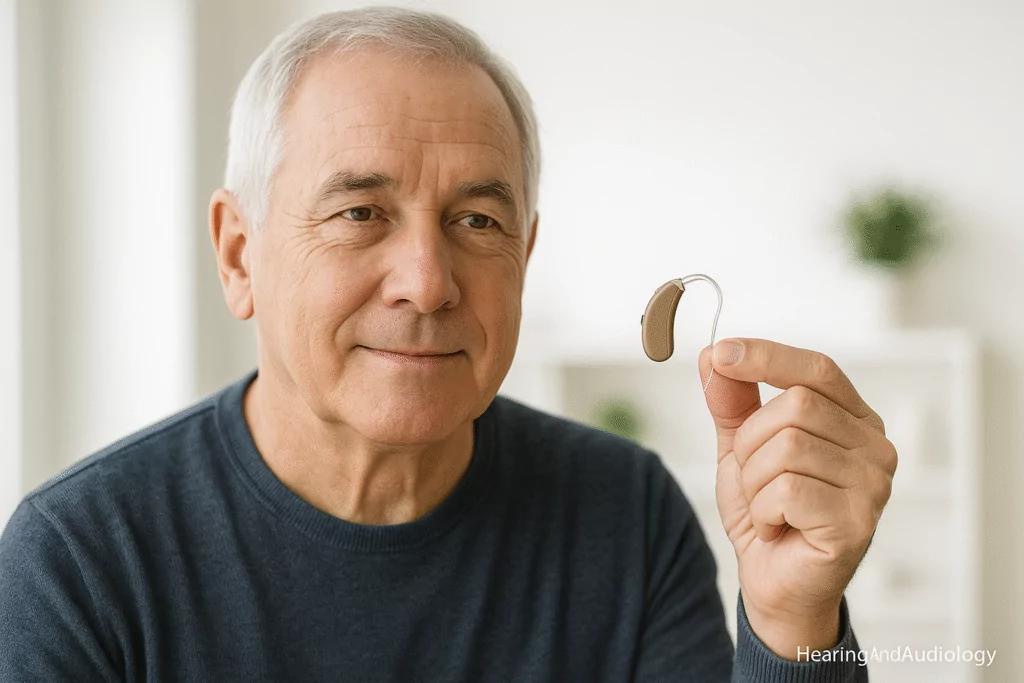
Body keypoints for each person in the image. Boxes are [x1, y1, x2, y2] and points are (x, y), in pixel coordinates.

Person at [0, 6, 896, 681]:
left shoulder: (628, 516)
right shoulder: (79, 560)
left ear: (525, 254)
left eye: (476, 219)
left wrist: (794, 624)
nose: (428, 281)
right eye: (360, 213)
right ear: (241, 255)